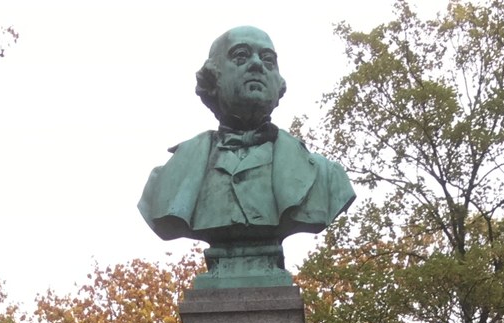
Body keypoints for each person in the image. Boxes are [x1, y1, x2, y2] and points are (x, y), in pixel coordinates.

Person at [138, 26, 355, 286]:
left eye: (267, 60)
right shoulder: (167, 179)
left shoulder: (326, 177)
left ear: (279, 83)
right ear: (212, 80)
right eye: (241, 56)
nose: (256, 65)